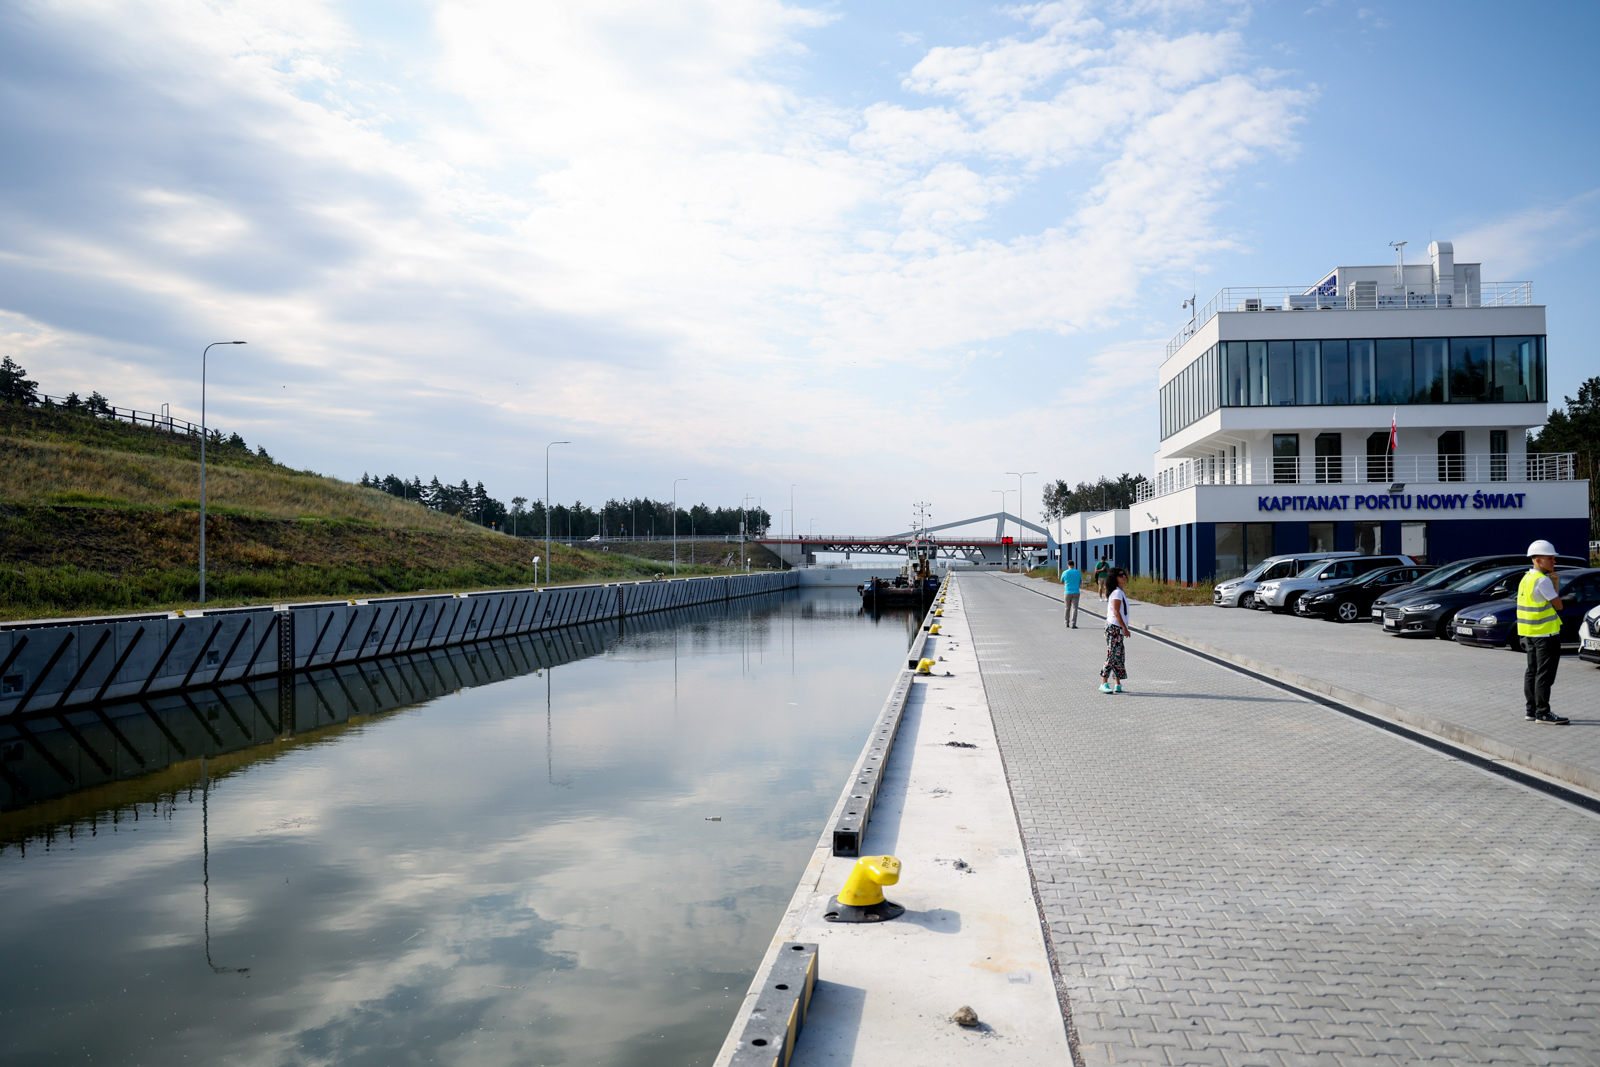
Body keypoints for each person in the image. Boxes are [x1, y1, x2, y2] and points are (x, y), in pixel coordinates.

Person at [1518, 539, 1568, 725]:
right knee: (1544, 675)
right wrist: (1555, 583)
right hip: (1546, 635)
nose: (1554, 561)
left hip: (1530, 633)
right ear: (1538, 560)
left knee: (1532, 672)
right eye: (1550, 558)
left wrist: (1553, 582)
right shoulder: (1542, 580)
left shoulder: (1526, 579)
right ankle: (1543, 713)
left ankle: (1531, 710)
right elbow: (1559, 605)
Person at [1099, 568, 1130, 694]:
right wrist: (1124, 628)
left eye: (1124, 574)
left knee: (1119, 656)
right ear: (1115, 578)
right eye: (1120, 575)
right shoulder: (1117, 593)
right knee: (1112, 655)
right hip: (1114, 628)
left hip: (1117, 628)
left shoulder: (1119, 591)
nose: (1124, 576)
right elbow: (1116, 612)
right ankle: (1103, 683)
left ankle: (1118, 683)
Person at [1062, 557, 1082, 628]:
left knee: (1067, 607)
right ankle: (1073, 623)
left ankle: (1066, 622)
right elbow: (1080, 580)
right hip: (1076, 591)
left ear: (1068, 565)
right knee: (1075, 608)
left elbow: (1062, 581)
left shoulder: (1065, 572)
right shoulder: (1078, 572)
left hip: (1067, 591)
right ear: (1074, 565)